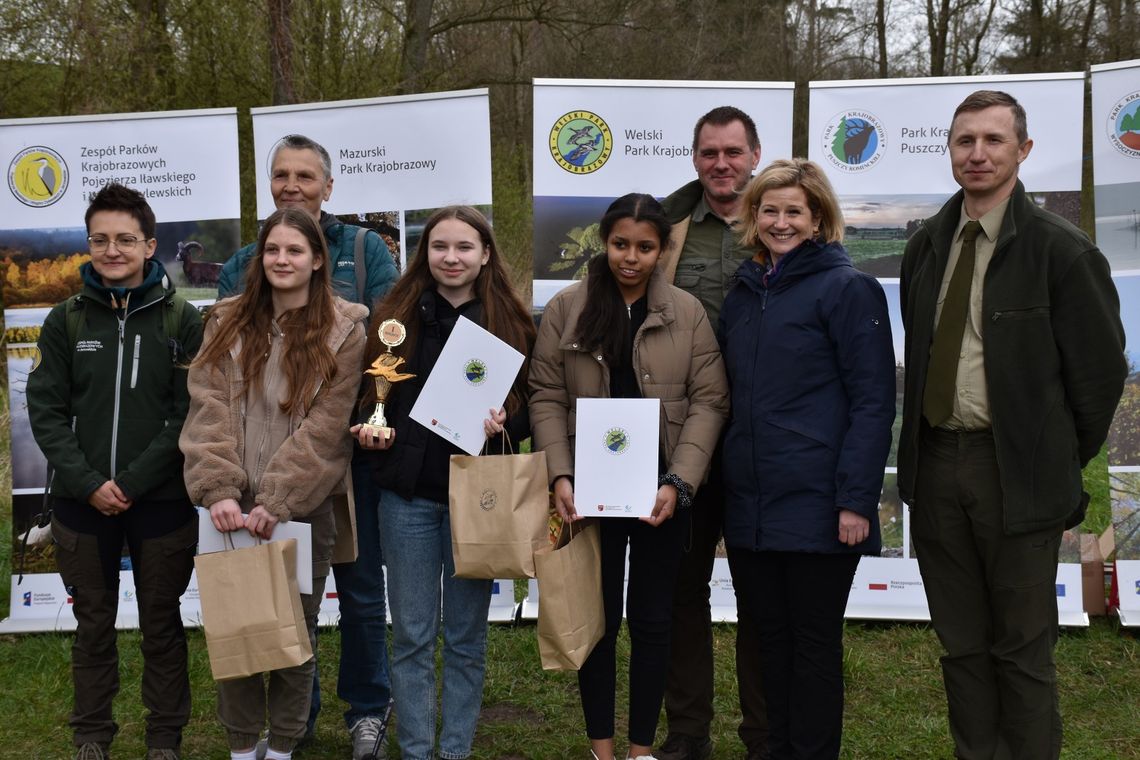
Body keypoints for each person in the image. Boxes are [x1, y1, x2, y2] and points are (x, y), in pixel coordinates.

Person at [898, 90, 1126, 760]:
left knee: (1022, 650)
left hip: (1017, 476)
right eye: (964, 140)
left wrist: (1046, 455)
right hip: (938, 467)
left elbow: (1098, 379)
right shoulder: (926, 245)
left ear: (1022, 151)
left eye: (993, 140)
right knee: (961, 646)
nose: (977, 153)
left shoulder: (1063, 252)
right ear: (949, 151)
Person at [218, 133, 399, 759]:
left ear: (329, 184)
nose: (292, 185)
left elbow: (390, 339)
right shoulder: (245, 256)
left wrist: (372, 416)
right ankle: (301, 718)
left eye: (305, 175)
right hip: (259, 466)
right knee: (281, 597)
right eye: (281, 175)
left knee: (357, 586)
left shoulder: (365, 248)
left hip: (351, 452)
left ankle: (368, 711)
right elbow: (227, 368)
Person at [530, 193, 730, 760]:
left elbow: (710, 402)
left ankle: (642, 748)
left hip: (658, 496)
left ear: (663, 250)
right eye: (621, 244)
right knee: (596, 621)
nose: (631, 258)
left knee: (652, 620)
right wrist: (560, 475)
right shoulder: (568, 308)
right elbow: (545, 394)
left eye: (646, 247)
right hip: (586, 496)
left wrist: (679, 482)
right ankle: (602, 748)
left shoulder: (686, 312)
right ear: (604, 241)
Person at [719, 159, 895, 760]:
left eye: (794, 210)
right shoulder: (743, 296)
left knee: (813, 646)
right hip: (752, 507)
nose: (781, 221)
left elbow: (874, 402)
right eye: (770, 209)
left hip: (821, 505)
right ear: (753, 216)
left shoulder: (849, 290)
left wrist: (854, 501)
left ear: (819, 218)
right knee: (768, 642)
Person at [181, 208, 369, 760]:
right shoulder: (225, 321)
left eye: (294, 251)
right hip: (229, 510)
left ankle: (284, 746)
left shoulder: (345, 331)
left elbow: (329, 429)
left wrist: (278, 500)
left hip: (302, 509)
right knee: (235, 627)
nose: (282, 260)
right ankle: (242, 747)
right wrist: (218, 488)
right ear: (260, 259)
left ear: (316, 260)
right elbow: (207, 405)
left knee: (294, 634)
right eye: (272, 250)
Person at [27, 182, 203, 760]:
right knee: (93, 626)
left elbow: (189, 414)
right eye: (100, 239)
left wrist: (128, 482)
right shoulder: (65, 321)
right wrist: (87, 483)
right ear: (89, 244)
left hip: (160, 503)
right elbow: (46, 413)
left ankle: (164, 737)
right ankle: (92, 734)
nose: (112, 250)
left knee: (161, 623)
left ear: (149, 245)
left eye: (125, 239)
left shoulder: (183, 320)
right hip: (83, 505)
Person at [355, 205, 535, 760]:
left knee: (464, 638)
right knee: (410, 636)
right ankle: (416, 751)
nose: (451, 258)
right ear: (424, 253)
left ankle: (453, 750)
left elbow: (531, 406)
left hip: (476, 498)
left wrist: (510, 419)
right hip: (406, 499)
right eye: (440, 247)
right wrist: (367, 430)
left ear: (485, 254)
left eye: (463, 247)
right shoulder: (393, 317)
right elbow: (370, 399)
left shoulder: (513, 322)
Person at [656, 105, 768, 760]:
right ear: (694, 158)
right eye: (708, 153)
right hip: (680, 443)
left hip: (760, 445)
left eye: (732, 151)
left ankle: (763, 737)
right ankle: (687, 735)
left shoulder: (788, 218)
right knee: (679, 595)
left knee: (760, 597)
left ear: (755, 154)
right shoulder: (661, 225)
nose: (721, 164)